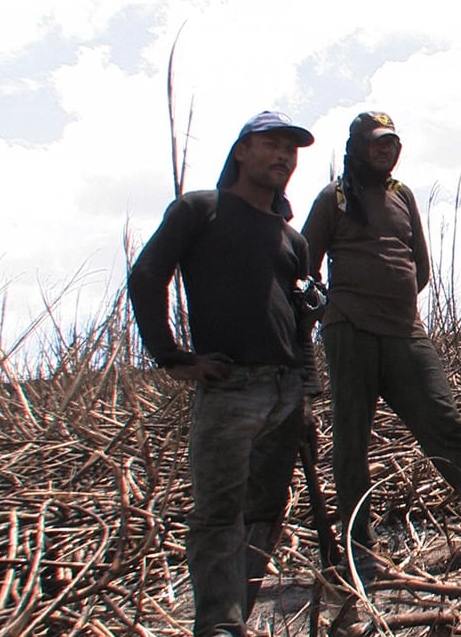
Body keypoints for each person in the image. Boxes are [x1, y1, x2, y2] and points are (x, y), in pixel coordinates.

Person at [128, 111, 318, 636]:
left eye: (291, 149)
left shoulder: (291, 239)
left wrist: (307, 390)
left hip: (285, 390)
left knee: (266, 509)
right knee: (218, 512)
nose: (284, 156)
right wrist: (173, 356)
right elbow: (147, 277)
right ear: (240, 152)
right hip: (230, 385)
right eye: (272, 145)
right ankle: (218, 624)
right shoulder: (201, 210)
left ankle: (234, 612)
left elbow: (302, 322)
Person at [301, 111, 461, 555]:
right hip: (350, 333)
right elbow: (303, 266)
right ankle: (357, 546)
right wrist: (336, 307)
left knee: (446, 426)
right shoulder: (335, 197)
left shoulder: (402, 196)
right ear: (357, 146)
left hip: (405, 332)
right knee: (351, 441)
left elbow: (420, 268)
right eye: (377, 143)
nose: (386, 150)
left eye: (392, 144)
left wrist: (393, 297)